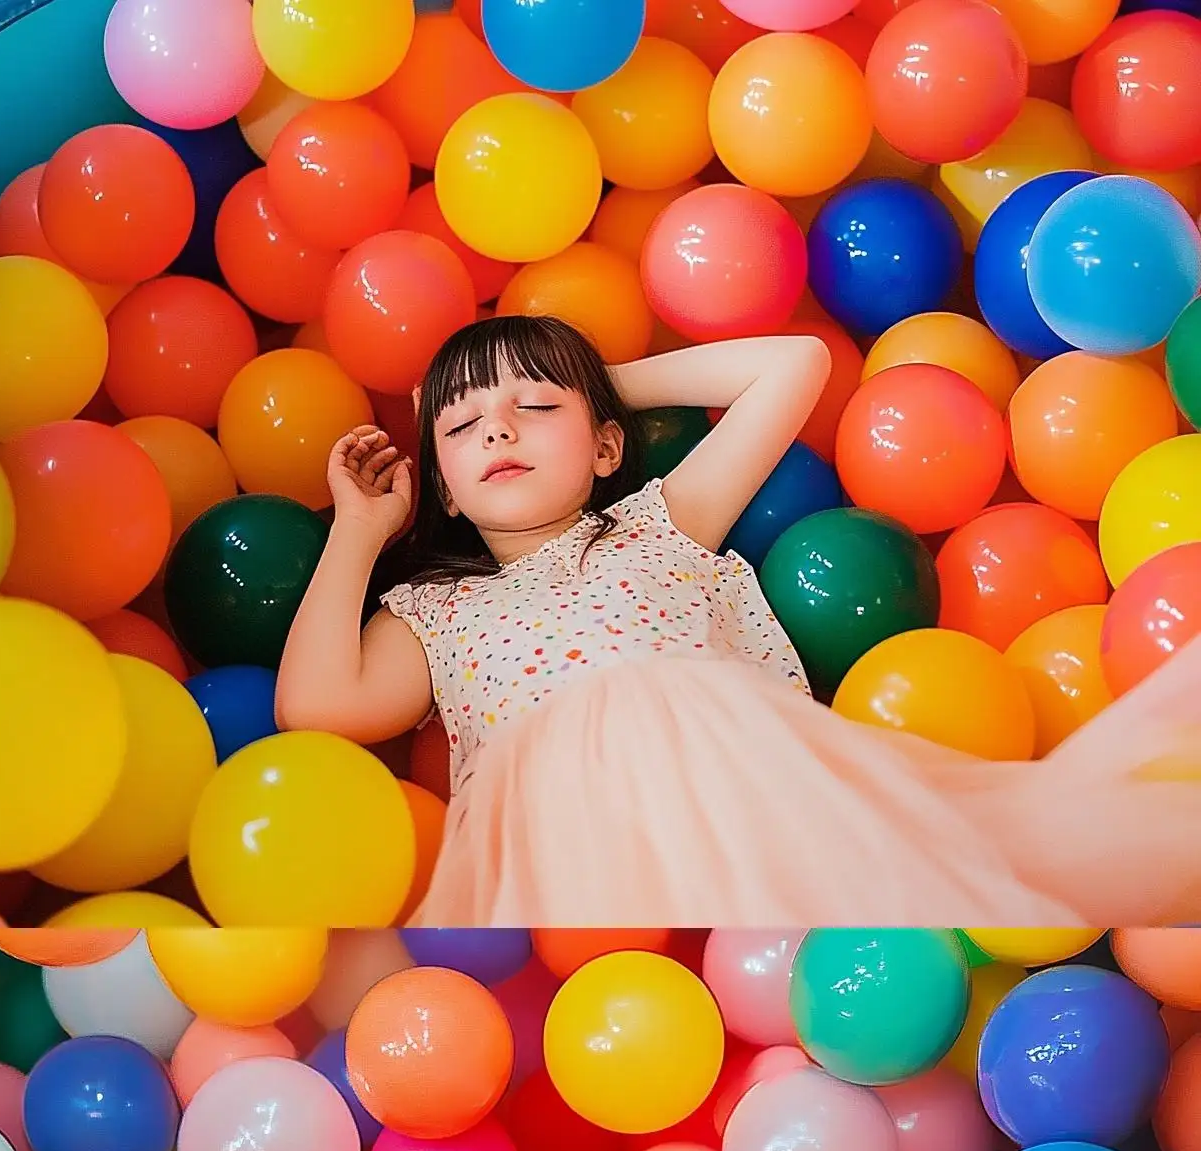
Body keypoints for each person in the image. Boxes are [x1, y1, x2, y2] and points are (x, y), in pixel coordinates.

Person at [272, 315, 1201, 924]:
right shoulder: (440, 610)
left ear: (603, 447)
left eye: (535, 407)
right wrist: (360, 531)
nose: (501, 432)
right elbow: (316, 709)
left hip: (734, 791)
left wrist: (597, 380)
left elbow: (795, 364)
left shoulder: (654, 524)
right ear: (442, 482)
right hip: (573, 843)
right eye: (464, 427)